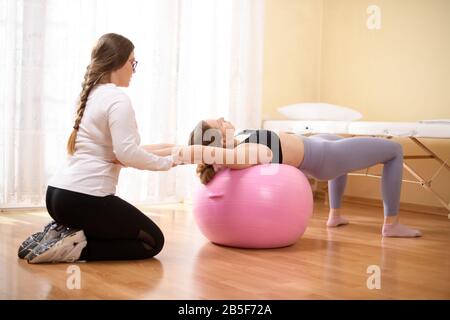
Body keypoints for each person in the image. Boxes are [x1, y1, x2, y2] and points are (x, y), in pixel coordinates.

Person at [18, 33, 178, 263]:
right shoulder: (117, 100)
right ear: (119, 62)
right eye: (133, 63)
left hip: (57, 195)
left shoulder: (90, 95)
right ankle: (72, 249)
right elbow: (127, 153)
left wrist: (170, 152)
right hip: (84, 199)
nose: (134, 69)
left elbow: (121, 151)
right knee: (152, 241)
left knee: (119, 231)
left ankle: (57, 236)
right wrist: (167, 163)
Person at [170, 118, 422, 238]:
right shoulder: (242, 152)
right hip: (325, 158)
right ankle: (392, 224)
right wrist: (196, 153)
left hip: (317, 144)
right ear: (218, 139)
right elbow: (231, 159)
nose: (223, 118)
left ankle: (335, 216)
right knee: (394, 150)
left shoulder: (240, 139)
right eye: (217, 122)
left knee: (339, 140)